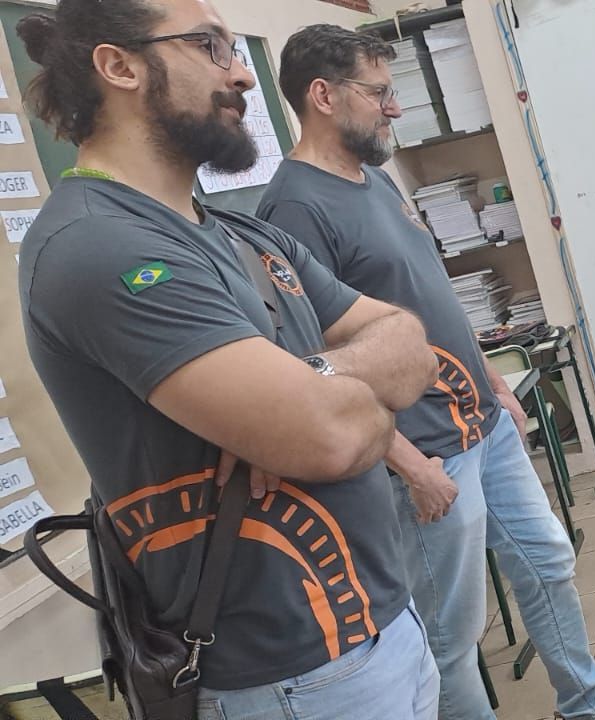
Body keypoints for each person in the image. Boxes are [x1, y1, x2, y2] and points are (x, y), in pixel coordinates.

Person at [15, 1, 442, 718]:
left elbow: (411, 346)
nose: (242, 74)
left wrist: (315, 380)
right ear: (119, 66)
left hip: (378, 623)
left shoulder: (242, 234)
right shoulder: (100, 248)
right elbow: (332, 437)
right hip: (287, 677)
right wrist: (332, 401)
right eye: (210, 46)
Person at [258, 25, 595, 720]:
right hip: (425, 454)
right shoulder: (293, 209)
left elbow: (431, 297)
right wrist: (408, 465)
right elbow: (314, 368)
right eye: (379, 93)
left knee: (548, 562)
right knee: (452, 637)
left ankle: (585, 709)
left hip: (480, 423)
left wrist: (495, 383)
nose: (394, 108)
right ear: (323, 96)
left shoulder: (374, 178)